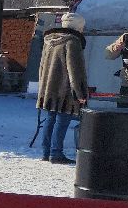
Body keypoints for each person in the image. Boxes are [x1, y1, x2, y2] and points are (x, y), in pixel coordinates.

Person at [37, 11, 89, 164]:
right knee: (62, 119)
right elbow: (75, 69)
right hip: (64, 89)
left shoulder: (49, 40)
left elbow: (41, 66)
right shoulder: (72, 42)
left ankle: (46, 152)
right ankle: (56, 153)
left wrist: (42, 86)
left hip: (48, 87)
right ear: (78, 27)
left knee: (50, 119)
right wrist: (80, 92)